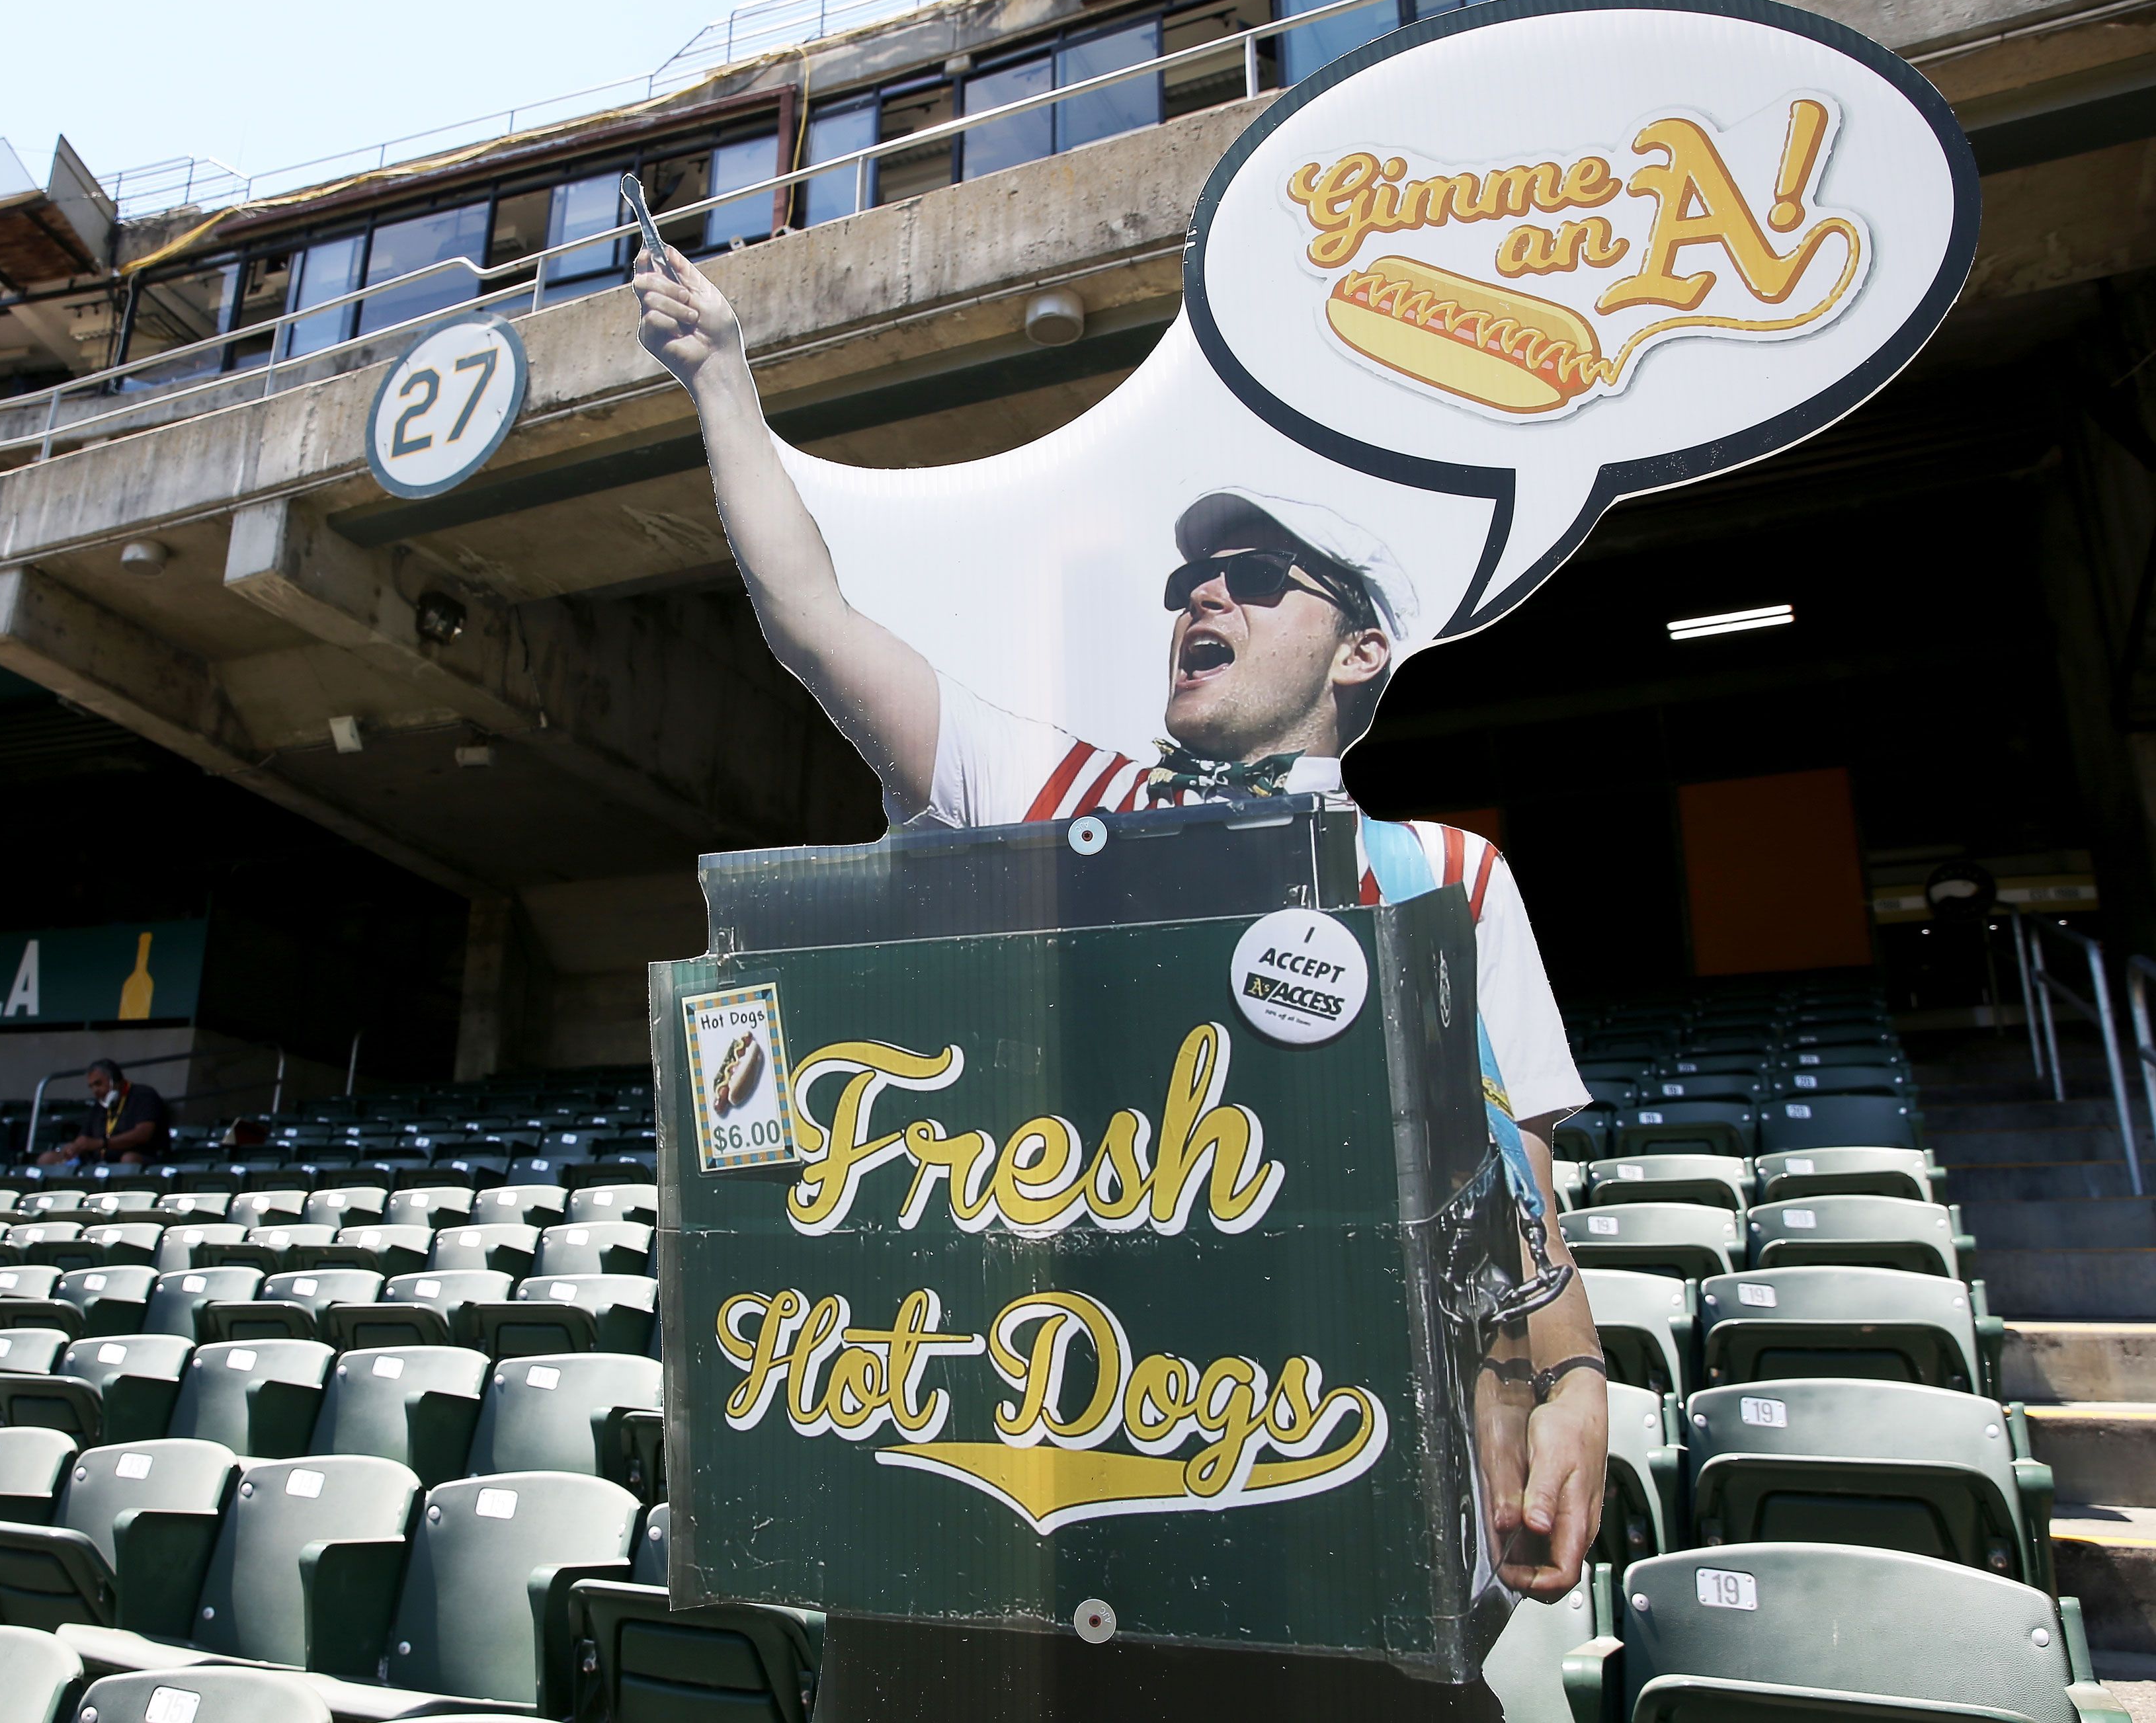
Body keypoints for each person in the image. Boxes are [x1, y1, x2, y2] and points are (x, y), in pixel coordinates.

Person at [633, 245, 1608, 1610]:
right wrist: (722, 379)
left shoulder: (1446, 872)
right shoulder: (1056, 794)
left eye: (1257, 575)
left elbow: (1510, 1184)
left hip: (1343, 1500)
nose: (1201, 595)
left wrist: (1561, 1371)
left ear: (1357, 650)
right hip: (1079, 1478)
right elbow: (812, 618)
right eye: (1187, 583)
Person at [36, 1059, 170, 1167]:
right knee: (47, 1159)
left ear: (115, 1080)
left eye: (98, 1084)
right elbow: (84, 1137)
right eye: (92, 1086)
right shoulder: (100, 1104)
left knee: (128, 1159)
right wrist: (74, 1147)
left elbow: (143, 1134)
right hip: (97, 1160)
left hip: (140, 1156)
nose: (95, 1090)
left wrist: (102, 1143)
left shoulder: (143, 1095)